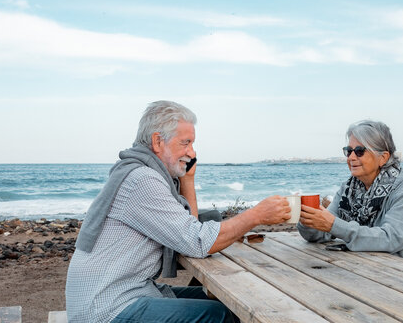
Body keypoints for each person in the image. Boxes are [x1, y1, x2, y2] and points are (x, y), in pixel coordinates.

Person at [66, 100, 291, 323]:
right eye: (186, 143)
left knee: (230, 302)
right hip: (107, 308)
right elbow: (198, 242)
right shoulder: (143, 180)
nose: (192, 152)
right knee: (219, 315)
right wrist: (256, 215)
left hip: (121, 292)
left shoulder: (141, 173)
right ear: (157, 141)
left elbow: (187, 229)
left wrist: (188, 179)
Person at [297, 120, 403, 274]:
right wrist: (308, 219)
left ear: (383, 157)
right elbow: (320, 234)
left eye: (360, 151)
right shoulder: (349, 189)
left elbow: (389, 239)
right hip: (385, 271)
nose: (351, 157)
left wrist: (334, 225)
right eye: (348, 150)